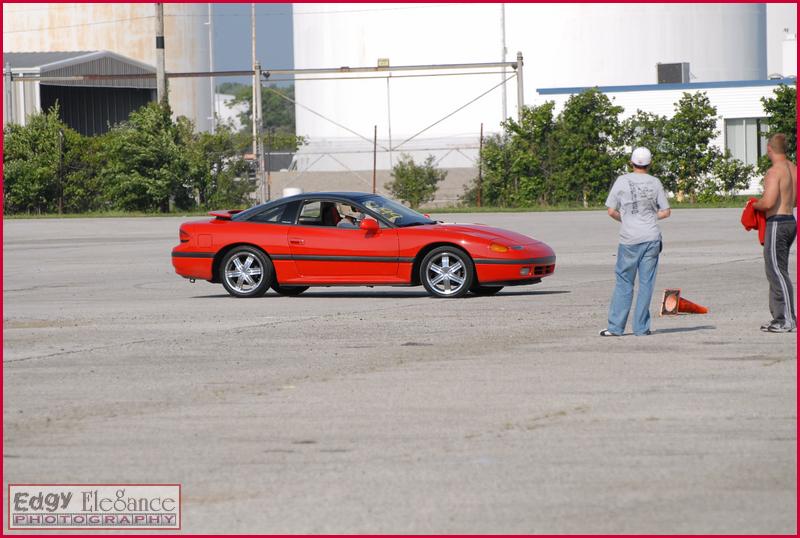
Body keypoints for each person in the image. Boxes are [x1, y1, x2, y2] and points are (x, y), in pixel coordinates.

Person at [600, 147, 671, 336]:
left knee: (624, 282)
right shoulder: (655, 182)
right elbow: (666, 211)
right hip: (651, 238)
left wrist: (627, 219)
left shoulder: (622, 181)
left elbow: (611, 210)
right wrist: (648, 216)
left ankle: (616, 327)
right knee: (646, 283)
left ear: (631, 162)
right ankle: (641, 328)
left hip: (629, 239)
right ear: (650, 163)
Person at [752, 133, 796, 333]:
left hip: (777, 223)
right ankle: (779, 317)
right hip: (790, 220)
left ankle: (786, 319)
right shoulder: (793, 168)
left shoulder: (774, 171)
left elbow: (768, 202)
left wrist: (754, 204)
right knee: (780, 270)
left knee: (776, 271)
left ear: (769, 149)